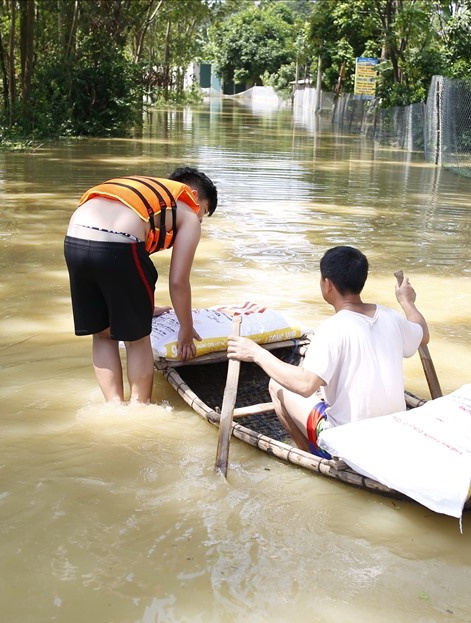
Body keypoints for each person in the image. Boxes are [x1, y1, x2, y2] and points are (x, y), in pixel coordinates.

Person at [226, 246, 429, 457]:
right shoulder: (391, 317)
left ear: (327, 284)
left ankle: (310, 453)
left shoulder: (332, 328)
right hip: (392, 436)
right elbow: (423, 334)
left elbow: (305, 386)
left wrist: (257, 353)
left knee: (277, 385)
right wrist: (407, 302)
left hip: (349, 445)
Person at [64, 167, 218, 404]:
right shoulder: (187, 214)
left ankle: (114, 407)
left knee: (103, 335)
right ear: (194, 195)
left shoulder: (146, 194)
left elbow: (126, 272)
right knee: (137, 339)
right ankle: (139, 409)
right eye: (204, 212)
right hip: (120, 242)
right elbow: (178, 282)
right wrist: (186, 330)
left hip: (74, 239)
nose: (199, 219)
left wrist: (145, 307)